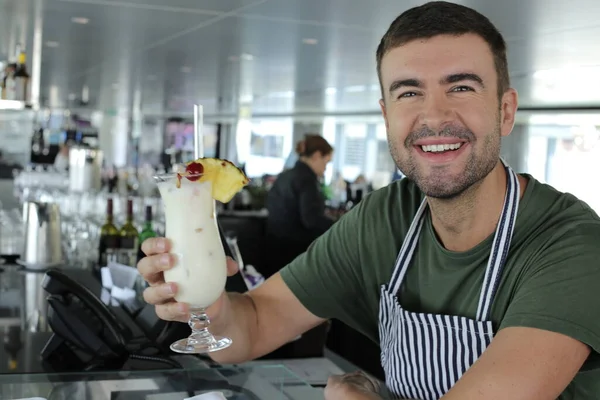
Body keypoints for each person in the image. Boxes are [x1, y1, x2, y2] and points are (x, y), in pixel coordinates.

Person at [138, 2, 600, 399]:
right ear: (386, 115)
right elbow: (255, 323)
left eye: (461, 87)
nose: (434, 115)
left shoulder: (572, 247)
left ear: (505, 110)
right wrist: (212, 310)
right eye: (409, 92)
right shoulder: (384, 219)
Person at [263, 134, 335, 278]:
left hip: (272, 250)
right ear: (316, 155)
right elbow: (311, 220)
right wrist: (340, 225)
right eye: (326, 162)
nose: (325, 169)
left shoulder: (284, 176)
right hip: (294, 256)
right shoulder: (307, 180)